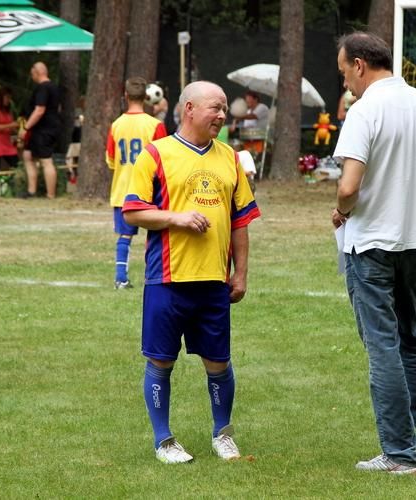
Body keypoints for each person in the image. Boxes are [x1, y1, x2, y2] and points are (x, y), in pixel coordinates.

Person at [332, 33, 416, 475]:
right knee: (411, 339)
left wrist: (343, 210)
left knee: (382, 346)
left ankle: (399, 454)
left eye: (344, 71)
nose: (345, 82)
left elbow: (348, 186)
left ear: (360, 65)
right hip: (412, 242)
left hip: (370, 242)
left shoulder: (364, 110)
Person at [123, 80, 260, 464]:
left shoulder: (230, 158)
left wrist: (241, 273)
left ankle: (223, 433)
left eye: (223, 108)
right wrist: (176, 218)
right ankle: (164, 441)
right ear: (189, 109)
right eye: (215, 107)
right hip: (167, 279)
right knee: (160, 361)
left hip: (214, 281)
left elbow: (241, 221)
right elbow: (132, 211)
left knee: (219, 362)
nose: (222, 115)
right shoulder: (156, 154)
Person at [105, 77, 167, 289]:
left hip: (123, 190)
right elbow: (164, 157)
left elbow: (111, 160)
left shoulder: (116, 125)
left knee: (125, 236)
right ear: (147, 97)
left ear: (126, 96)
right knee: (159, 233)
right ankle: (158, 277)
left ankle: (121, 278)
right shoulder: (155, 125)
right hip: (150, 190)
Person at [18, 62, 61, 198]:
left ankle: (50, 194)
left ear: (38, 73)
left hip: (44, 129)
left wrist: (26, 127)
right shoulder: (54, 87)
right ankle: (31, 191)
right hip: (44, 129)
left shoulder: (43, 88)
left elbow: (39, 110)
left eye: (32, 74)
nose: (32, 77)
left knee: (46, 160)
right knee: (28, 155)